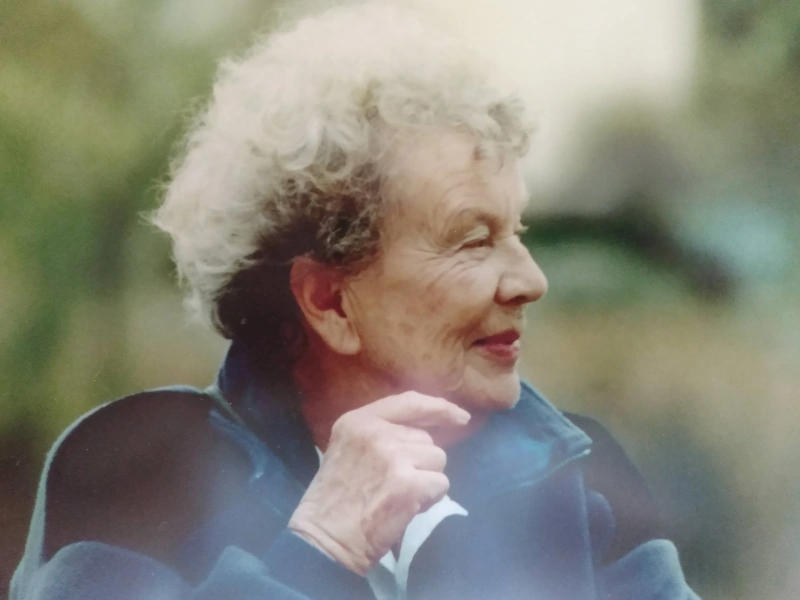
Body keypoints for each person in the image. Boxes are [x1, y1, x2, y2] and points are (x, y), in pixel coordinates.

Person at [10, 3, 700, 599]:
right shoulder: (140, 470)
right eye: (472, 240)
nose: (531, 281)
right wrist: (322, 545)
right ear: (327, 300)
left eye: (515, 231)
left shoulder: (578, 482)